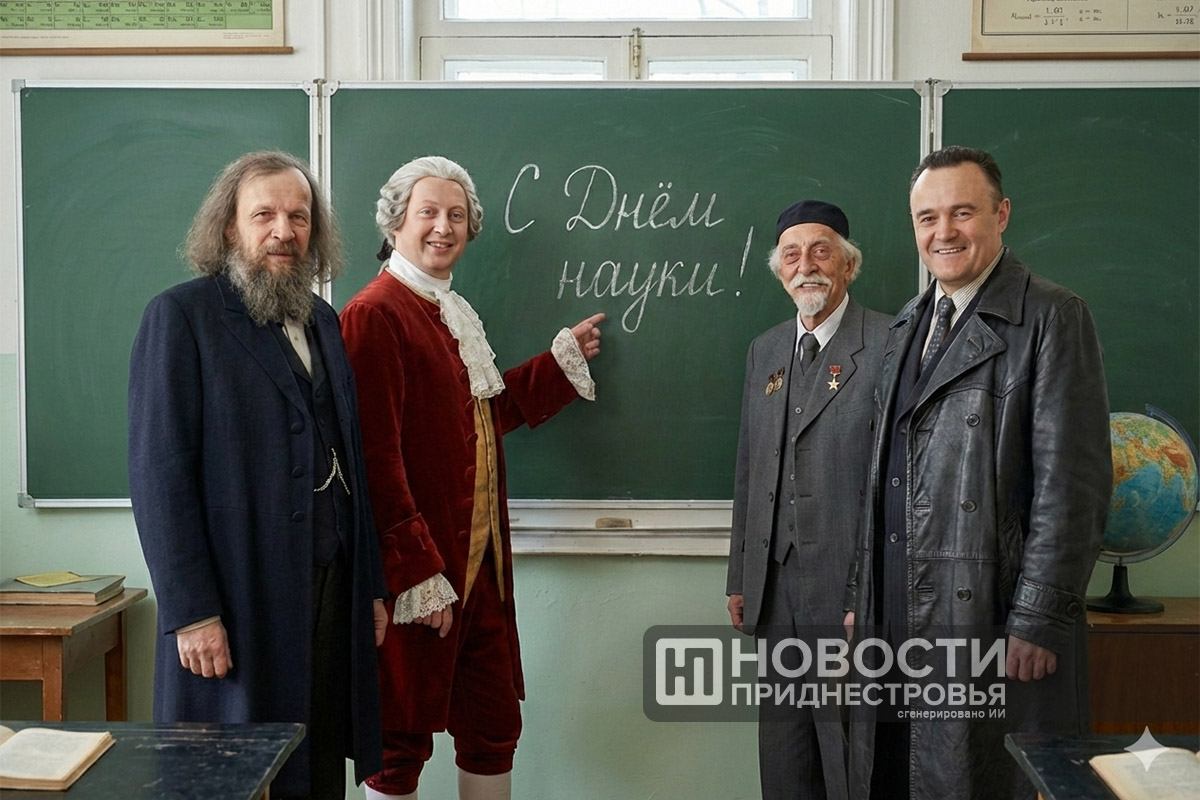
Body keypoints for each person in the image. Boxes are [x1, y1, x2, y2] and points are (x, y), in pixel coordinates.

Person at [843, 146, 1112, 799]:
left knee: (974, 781)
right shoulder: (905, 324)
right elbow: (882, 479)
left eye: (962, 212)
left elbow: (1072, 489)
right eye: (927, 217)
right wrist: (860, 598)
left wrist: (1039, 619)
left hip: (988, 616)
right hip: (899, 614)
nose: (944, 232)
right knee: (899, 777)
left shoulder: (1051, 316)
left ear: (1001, 214)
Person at [339, 155, 605, 800]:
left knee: (492, 726)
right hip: (417, 574)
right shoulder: (376, 312)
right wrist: (414, 571)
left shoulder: (449, 309)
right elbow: (373, 455)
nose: (443, 226)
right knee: (398, 739)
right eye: (428, 212)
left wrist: (557, 366)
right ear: (395, 222)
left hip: (481, 569)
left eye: (455, 215)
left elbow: (475, 419)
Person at [128, 150, 388, 800]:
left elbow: (353, 463)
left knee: (317, 764)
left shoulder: (324, 320)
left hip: (331, 590)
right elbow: (159, 475)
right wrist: (192, 612)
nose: (283, 231)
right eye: (264, 215)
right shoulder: (180, 317)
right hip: (237, 594)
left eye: (299, 217)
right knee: (234, 776)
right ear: (228, 228)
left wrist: (371, 588)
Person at [726, 200, 890, 800]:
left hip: (848, 591)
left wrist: (866, 593)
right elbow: (749, 468)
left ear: (848, 264)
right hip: (775, 589)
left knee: (848, 755)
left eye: (821, 251)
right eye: (792, 255)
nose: (806, 266)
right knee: (784, 757)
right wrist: (740, 577)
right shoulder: (765, 350)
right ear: (780, 272)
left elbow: (897, 481)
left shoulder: (888, 342)